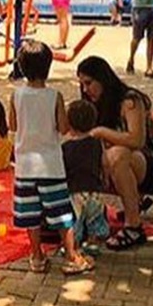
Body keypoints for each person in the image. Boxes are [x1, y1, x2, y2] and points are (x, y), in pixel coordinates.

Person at [9, 40, 92, 274]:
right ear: (48, 66)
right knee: (61, 215)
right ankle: (72, 256)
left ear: (22, 68)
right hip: (51, 167)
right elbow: (64, 127)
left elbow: (12, 125)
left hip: (25, 167)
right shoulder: (54, 96)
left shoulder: (16, 96)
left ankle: (36, 257)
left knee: (31, 216)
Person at [77, 56, 153, 251]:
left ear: (102, 79)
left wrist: (102, 133)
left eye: (89, 83)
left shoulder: (130, 101)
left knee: (118, 155)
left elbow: (136, 140)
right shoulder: (94, 104)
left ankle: (133, 226)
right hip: (134, 163)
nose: (85, 90)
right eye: (82, 85)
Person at [62, 100, 109, 255]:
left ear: (70, 123)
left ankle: (73, 245)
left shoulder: (66, 147)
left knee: (75, 219)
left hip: (75, 191)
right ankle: (93, 242)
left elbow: (64, 170)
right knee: (94, 217)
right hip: (95, 189)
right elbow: (104, 163)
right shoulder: (97, 143)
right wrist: (105, 179)